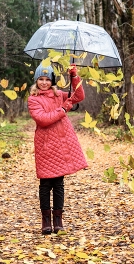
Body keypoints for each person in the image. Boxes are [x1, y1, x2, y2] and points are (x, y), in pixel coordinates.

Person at [28, 62, 88, 235]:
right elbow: (43, 119)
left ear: (52, 81)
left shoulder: (58, 94)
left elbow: (78, 96)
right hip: (46, 144)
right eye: (41, 79)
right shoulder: (33, 99)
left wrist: (73, 75)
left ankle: (58, 219)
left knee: (59, 183)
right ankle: (46, 220)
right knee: (46, 183)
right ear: (36, 81)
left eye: (48, 79)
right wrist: (63, 109)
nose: (44, 82)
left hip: (61, 143)